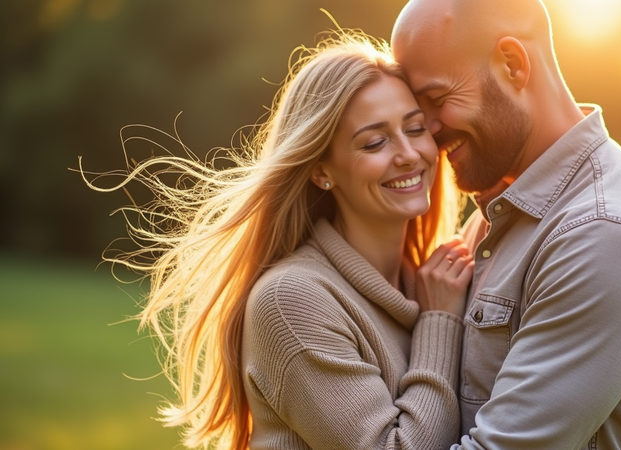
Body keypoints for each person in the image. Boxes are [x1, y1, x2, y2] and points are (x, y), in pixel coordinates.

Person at [83, 32, 472, 450]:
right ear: (322, 170)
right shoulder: (292, 300)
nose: (410, 154)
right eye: (375, 141)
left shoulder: (430, 283)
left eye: (415, 129)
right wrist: (440, 323)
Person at [391, 0, 621, 449]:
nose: (428, 131)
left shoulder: (605, 235)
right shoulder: (500, 216)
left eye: (437, 99)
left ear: (513, 64)